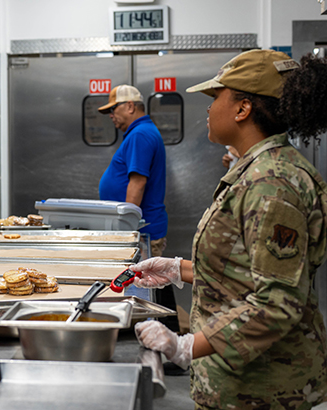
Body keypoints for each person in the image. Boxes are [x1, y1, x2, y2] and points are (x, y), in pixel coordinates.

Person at [133, 49, 327, 409]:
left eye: (215, 97)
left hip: (264, 387)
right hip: (239, 382)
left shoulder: (273, 183)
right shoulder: (254, 170)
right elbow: (245, 272)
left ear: (242, 109)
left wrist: (187, 345)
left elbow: (277, 303)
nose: (208, 109)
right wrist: (179, 270)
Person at [98, 84, 168, 256]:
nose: (111, 116)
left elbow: (137, 184)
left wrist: (128, 231)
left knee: (145, 281)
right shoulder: (141, 132)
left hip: (141, 232)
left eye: (113, 109)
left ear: (130, 106)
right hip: (140, 229)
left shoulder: (140, 134)